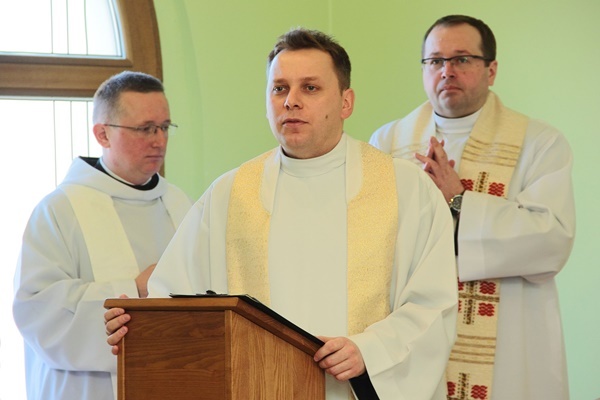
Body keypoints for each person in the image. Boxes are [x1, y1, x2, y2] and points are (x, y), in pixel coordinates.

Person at [105, 28, 458, 399]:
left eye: (310, 87)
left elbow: (433, 306)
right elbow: (176, 300)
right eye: (279, 88)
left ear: (346, 102)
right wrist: (136, 326)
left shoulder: (406, 189)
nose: (291, 101)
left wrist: (369, 350)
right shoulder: (230, 194)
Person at [369, 15, 575, 400]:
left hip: (507, 340)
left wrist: (459, 199)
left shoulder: (539, 143)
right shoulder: (388, 142)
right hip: (416, 334)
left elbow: (552, 240)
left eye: (461, 59)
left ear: (491, 70)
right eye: (435, 61)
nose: (446, 71)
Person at [13, 71, 193, 400]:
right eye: (145, 128)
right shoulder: (60, 210)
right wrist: (134, 290)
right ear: (103, 134)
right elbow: (38, 310)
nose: (159, 141)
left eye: (165, 127)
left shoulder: (180, 204)